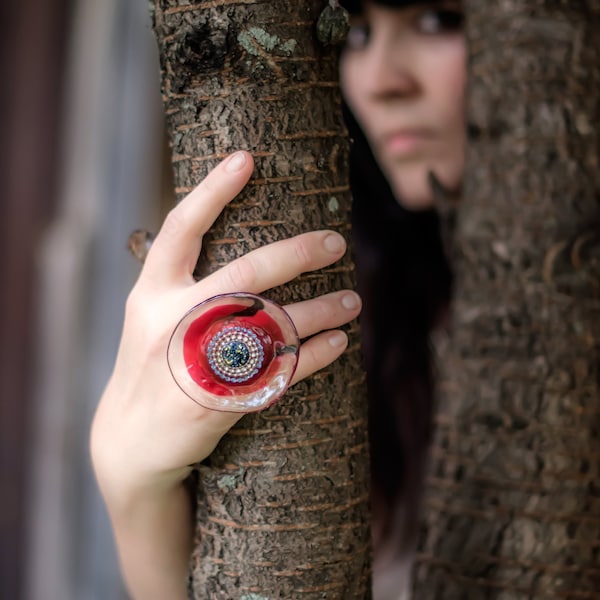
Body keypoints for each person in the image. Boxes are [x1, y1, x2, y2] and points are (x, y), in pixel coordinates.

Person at [90, 1, 466, 598]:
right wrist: (130, 480)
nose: (379, 81)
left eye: (438, 20)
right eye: (358, 32)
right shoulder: (358, 286)